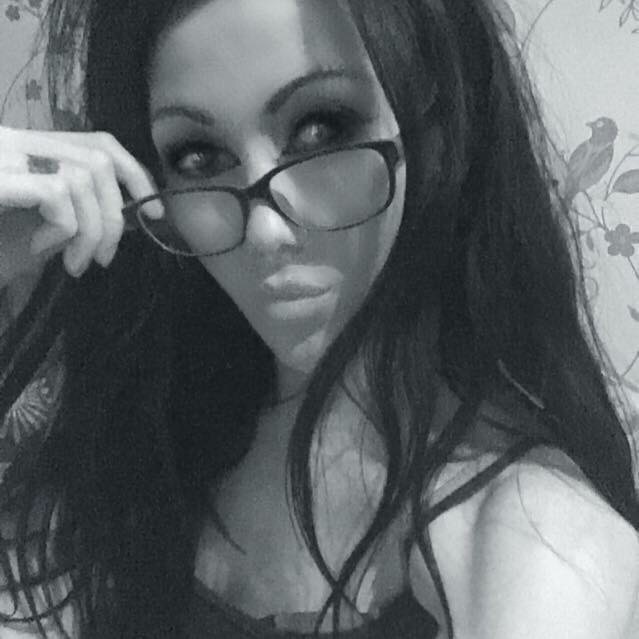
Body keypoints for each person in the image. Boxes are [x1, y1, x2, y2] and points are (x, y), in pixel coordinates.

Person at [0, 0, 638, 637]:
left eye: (321, 130)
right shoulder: (153, 436)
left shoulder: (538, 537)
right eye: (198, 156)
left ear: (439, 124)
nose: (266, 231)